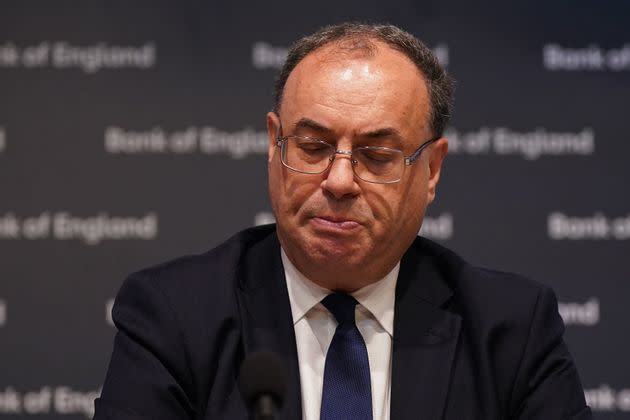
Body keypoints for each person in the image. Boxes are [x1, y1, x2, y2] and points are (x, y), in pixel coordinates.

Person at [94, 23, 591, 420]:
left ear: (432, 169)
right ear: (274, 144)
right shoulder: (174, 318)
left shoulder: (510, 330)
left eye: (376, 155)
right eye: (311, 147)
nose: (338, 181)